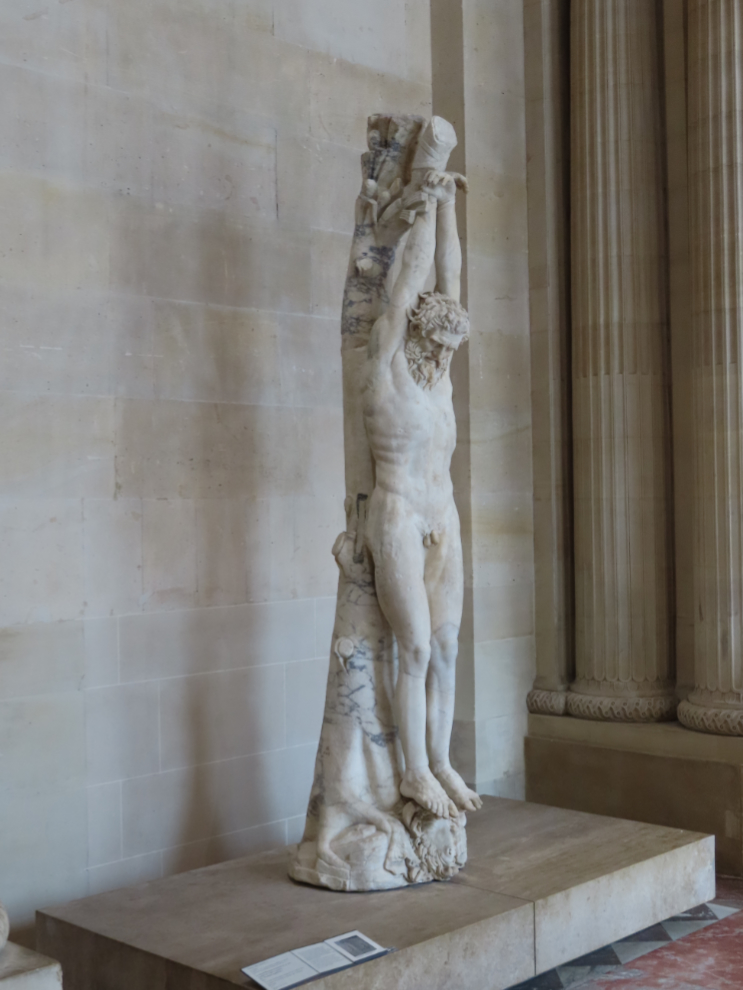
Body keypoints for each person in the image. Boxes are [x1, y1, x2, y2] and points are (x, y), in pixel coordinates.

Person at [362, 168, 483, 819]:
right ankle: (412, 771)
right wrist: (425, 202)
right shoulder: (387, 366)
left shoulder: (440, 380)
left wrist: (449, 209)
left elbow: (450, 283)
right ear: (416, 334)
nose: (444, 357)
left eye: (451, 347)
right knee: (410, 647)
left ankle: (439, 759)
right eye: (438, 343)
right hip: (399, 513)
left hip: (444, 514)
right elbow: (409, 287)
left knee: (446, 647)